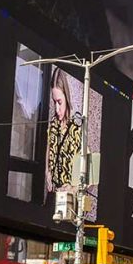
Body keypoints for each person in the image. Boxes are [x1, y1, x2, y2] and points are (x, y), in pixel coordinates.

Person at [46, 66, 82, 194]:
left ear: (67, 97)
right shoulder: (53, 124)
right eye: (54, 101)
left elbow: (89, 176)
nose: (56, 108)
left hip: (69, 202)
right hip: (53, 195)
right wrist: (47, 173)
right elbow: (48, 151)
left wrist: (73, 189)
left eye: (59, 102)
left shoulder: (77, 128)